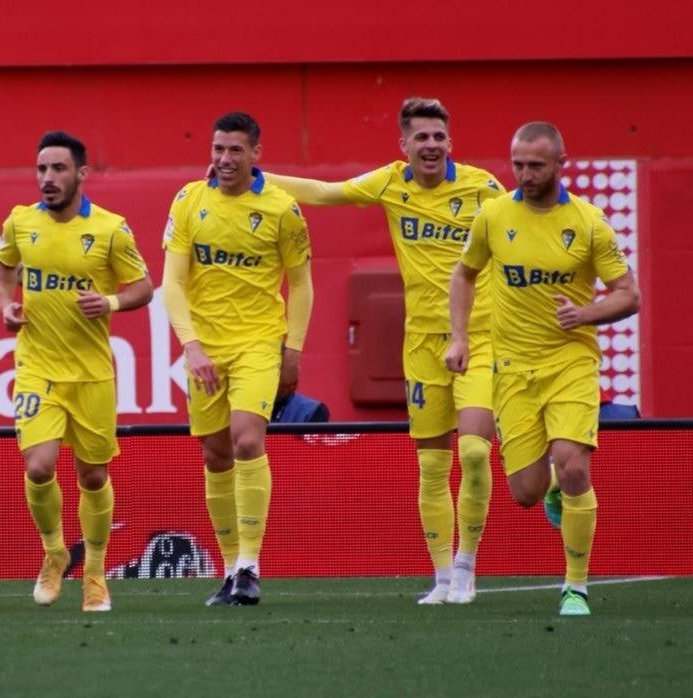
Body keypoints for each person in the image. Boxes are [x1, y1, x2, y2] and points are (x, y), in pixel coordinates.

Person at [260, 98, 504, 604]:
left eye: (439, 137)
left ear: (450, 143)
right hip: (420, 346)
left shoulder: (484, 189)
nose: (431, 146)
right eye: (422, 138)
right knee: (433, 467)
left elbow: (520, 238)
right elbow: (326, 192)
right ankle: (441, 579)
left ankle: (466, 566)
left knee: (476, 451)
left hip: (479, 338)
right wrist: (256, 178)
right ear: (405, 145)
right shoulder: (392, 182)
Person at [446, 122, 640, 616]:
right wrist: (462, 336)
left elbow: (628, 294)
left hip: (570, 362)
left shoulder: (589, 222)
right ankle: (552, 487)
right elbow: (464, 274)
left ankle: (575, 587)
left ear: (560, 163)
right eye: (518, 164)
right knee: (526, 493)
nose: (525, 174)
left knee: (574, 463)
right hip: (513, 369)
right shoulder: (493, 216)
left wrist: (586, 314)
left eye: (535, 165)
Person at [0, 131, 153, 612]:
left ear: (81, 173)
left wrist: (110, 301)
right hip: (38, 367)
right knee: (39, 467)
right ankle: (55, 552)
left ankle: (97, 574)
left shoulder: (110, 229)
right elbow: (2, 269)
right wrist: (5, 304)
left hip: (91, 375)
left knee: (93, 477)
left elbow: (144, 287)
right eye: (41, 169)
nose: (47, 178)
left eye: (58, 169)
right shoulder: (21, 222)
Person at [163, 112, 314, 606]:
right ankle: (229, 571)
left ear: (256, 155)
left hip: (258, 343)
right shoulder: (188, 200)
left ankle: (250, 565)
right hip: (205, 348)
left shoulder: (282, 209)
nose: (224, 160)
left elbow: (302, 284)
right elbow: (174, 283)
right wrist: (191, 345)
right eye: (218, 149)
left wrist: (291, 350)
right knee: (215, 453)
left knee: (247, 439)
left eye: (235, 151)